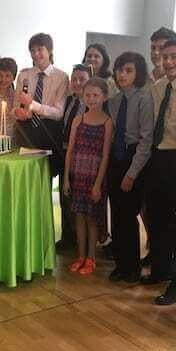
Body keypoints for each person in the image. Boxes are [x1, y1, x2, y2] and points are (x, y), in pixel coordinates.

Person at [140, 38, 176, 306]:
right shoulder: (157, 87)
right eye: (164, 57)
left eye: (174, 56)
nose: (168, 61)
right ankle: (160, 270)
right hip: (157, 154)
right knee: (157, 216)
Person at [106, 52, 154, 283]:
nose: (122, 75)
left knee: (128, 214)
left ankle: (132, 266)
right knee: (115, 212)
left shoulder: (144, 98)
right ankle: (120, 264)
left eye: (128, 70)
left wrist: (132, 173)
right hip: (116, 157)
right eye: (119, 70)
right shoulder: (114, 100)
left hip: (134, 157)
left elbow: (146, 140)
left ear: (138, 74)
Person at [63, 77, 113, 274]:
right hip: (78, 175)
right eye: (88, 95)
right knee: (79, 218)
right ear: (83, 97)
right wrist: (67, 178)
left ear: (104, 97)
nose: (91, 99)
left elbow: (106, 154)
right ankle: (81, 256)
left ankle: (92, 258)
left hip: (94, 177)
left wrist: (98, 184)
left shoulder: (107, 122)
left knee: (92, 219)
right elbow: (70, 150)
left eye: (95, 95)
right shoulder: (78, 119)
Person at [13, 33, 69, 177]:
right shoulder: (24, 75)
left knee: (45, 177)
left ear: (49, 50)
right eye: (32, 50)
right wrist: (17, 112)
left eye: (40, 49)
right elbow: (15, 107)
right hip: (27, 130)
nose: (36, 54)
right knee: (24, 175)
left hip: (49, 131)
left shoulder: (61, 77)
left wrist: (33, 105)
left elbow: (58, 113)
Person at [57, 64, 91, 251]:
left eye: (82, 79)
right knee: (66, 197)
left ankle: (83, 242)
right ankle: (67, 237)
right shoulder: (69, 101)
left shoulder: (92, 104)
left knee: (81, 201)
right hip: (65, 154)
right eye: (74, 79)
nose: (77, 83)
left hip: (84, 158)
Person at [0, 57, 18, 138]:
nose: (3, 79)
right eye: (0, 75)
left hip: (12, 138)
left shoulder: (17, 96)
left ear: (14, 77)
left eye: (7, 76)